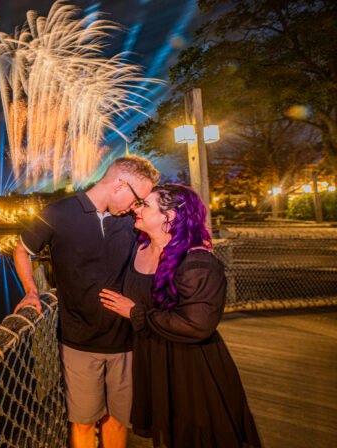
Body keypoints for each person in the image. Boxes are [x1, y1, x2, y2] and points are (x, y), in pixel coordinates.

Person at [13, 156, 159, 448]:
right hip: (78, 340)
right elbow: (21, 250)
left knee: (118, 420)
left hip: (127, 340)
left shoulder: (132, 221)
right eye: (137, 198)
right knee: (83, 421)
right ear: (119, 184)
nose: (136, 206)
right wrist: (31, 291)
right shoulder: (58, 212)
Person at [99, 184, 261, 448]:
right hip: (152, 357)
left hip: (191, 364)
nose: (136, 209)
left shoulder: (197, 262)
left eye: (145, 205)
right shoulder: (138, 249)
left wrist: (134, 313)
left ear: (169, 216)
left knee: (197, 434)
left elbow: (197, 324)